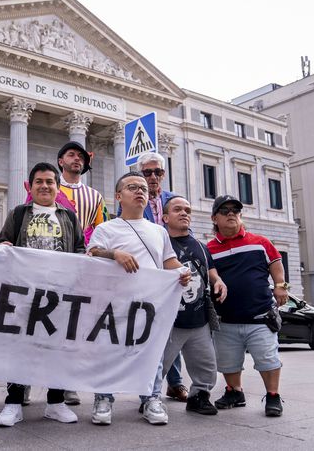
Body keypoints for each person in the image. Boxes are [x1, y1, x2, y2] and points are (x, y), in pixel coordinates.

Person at [87, 172, 191, 426]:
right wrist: (115, 254)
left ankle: (151, 398)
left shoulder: (158, 231)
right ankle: (103, 398)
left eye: (143, 188)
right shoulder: (106, 228)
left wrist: (182, 272)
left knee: (151, 354)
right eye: (132, 187)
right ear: (118, 196)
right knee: (109, 351)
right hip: (114, 303)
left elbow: (168, 261)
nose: (140, 192)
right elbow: (92, 254)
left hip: (149, 304)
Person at [0, 162, 84, 427]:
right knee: (20, 349)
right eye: (39, 182)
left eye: (50, 182)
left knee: (58, 349)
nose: (44, 186)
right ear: (30, 187)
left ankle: (55, 402)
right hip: (24, 294)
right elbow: (2, 242)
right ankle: (13, 402)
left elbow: (80, 249)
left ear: (57, 187)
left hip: (59, 296)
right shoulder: (19, 213)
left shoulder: (69, 217)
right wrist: (3, 246)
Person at [206, 195, 288, 417]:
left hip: (260, 316)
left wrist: (281, 285)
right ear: (215, 218)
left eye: (235, 210)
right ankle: (235, 392)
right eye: (225, 211)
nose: (231, 213)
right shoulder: (209, 249)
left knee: (268, 359)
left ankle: (273, 396)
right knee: (228, 362)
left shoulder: (260, 242)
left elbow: (276, 264)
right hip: (227, 319)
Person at [119, 152, 186, 402]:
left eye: (158, 172)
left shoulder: (174, 200)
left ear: (164, 174)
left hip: (169, 269)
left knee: (171, 326)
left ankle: (175, 382)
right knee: (148, 331)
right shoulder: (134, 198)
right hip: (144, 274)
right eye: (147, 172)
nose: (153, 177)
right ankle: (145, 388)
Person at [161, 195, 227, 415]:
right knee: (158, 365)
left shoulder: (199, 244)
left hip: (199, 319)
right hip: (169, 320)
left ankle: (199, 397)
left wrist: (218, 281)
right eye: (178, 209)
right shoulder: (159, 242)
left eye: (187, 210)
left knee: (207, 366)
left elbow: (210, 270)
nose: (184, 213)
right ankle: (148, 398)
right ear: (165, 217)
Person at [56, 141, 108, 406]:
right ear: (61, 161)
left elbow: (101, 230)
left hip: (81, 266)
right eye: (71, 155)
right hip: (52, 263)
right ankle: (22, 381)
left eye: (80, 156)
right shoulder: (47, 186)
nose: (77, 159)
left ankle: (68, 384)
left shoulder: (95, 196)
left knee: (73, 327)